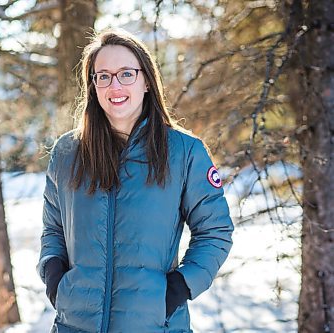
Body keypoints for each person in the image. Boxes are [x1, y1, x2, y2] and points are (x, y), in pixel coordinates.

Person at [37, 29, 234, 333]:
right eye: (103, 76)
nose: (114, 85)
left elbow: (215, 231)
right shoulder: (67, 152)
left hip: (155, 325)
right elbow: (53, 229)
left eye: (126, 74)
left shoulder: (184, 152)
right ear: (93, 85)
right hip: (75, 325)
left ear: (146, 81)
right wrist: (53, 277)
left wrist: (177, 289)